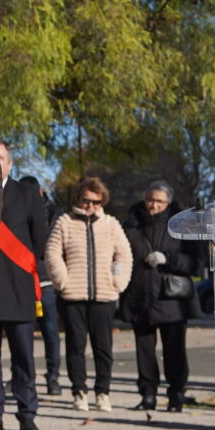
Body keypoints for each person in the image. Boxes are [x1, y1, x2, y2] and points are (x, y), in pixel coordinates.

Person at [0, 141, 47, 430]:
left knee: (23, 356)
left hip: (18, 288)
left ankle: (27, 413)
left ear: (10, 164)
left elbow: (39, 240)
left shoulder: (27, 193)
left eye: (0, 157)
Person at [44, 176, 131, 413]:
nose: (91, 206)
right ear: (79, 199)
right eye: (86, 201)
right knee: (75, 347)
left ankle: (103, 392)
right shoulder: (65, 222)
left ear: (102, 202)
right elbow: (52, 253)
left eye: (96, 202)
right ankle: (78, 391)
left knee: (103, 348)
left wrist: (117, 281)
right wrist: (63, 281)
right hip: (73, 296)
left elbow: (123, 254)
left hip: (104, 295)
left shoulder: (111, 224)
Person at [120, 181, 204, 413]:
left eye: (159, 201)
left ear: (168, 203)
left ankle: (176, 394)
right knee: (144, 351)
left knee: (174, 350)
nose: (153, 205)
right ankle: (148, 395)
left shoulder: (182, 225)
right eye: (150, 199)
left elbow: (196, 264)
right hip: (140, 295)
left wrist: (168, 258)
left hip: (171, 299)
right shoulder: (131, 225)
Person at [32, 177, 65, 394]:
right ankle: (22, 376)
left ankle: (53, 376)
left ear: (42, 193)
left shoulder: (55, 214)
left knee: (51, 332)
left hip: (46, 281)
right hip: (23, 280)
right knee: (22, 334)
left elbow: (49, 245)